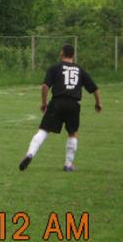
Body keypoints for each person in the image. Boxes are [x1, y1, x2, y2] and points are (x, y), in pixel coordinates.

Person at [19, 44, 102, 172]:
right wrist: (98, 103)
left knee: (44, 130)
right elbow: (95, 88)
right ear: (73, 55)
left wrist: (44, 103)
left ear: (62, 53)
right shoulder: (80, 69)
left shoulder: (55, 68)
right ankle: (68, 165)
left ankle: (30, 154)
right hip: (73, 104)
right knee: (72, 133)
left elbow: (45, 86)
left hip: (57, 102)